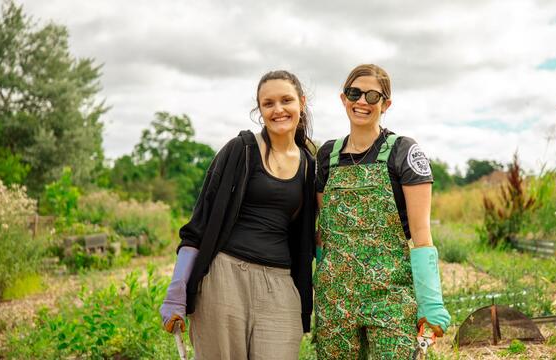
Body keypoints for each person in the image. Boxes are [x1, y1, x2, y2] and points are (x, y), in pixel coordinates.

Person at [159, 70, 316, 359]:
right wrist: (177, 289)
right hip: (224, 279)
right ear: (260, 110)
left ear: (301, 103)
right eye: (268, 103)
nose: (278, 109)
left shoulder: (310, 166)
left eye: (286, 100)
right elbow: (199, 225)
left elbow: (311, 235)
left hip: (280, 285)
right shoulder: (240, 150)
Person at [314, 64, 451, 359]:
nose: (362, 101)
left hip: (390, 298)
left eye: (372, 96)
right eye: (354, 93)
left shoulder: (403, 151)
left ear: (385, 104)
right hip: (335, 298)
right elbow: (324, 234)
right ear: (343, 99)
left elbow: (421, 235)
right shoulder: (327, 156)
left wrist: (431, 303)